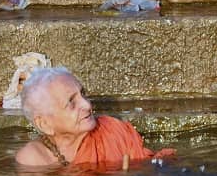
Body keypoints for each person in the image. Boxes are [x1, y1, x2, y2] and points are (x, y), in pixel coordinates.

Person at [15, 66, 173, 168]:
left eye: (83, 94)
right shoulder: (34, 159)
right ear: (44, 124)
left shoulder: (113, 131)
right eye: (71, 102)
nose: (87, 105)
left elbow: (148, 170)